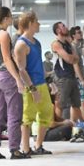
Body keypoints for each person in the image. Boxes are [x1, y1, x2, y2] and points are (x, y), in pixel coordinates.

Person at [0, 7, 24, 160]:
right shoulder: (4, 34)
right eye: (10, 17)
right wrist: (17, 78)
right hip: (8, 77)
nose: (11, 19)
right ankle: (14, 149)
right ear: (7, 18)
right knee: (14, 114)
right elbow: (7, 58)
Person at [14, 11, 52, 157]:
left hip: (41, 83)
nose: (39, 24)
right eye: (37, 21)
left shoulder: (37, 42)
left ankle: (38, 145)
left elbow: (39, 65)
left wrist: (48, 82)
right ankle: (26, 148)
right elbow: (22, 70)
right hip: (30, 87)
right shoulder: (21, 45)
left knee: (46, 114)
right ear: (30, 23)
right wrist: (32, 89)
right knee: (27, 117)